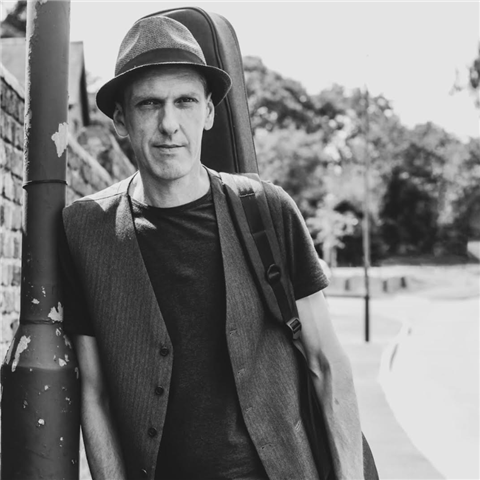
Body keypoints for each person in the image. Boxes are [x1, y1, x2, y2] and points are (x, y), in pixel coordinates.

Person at [60, 13, 364, 480]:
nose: (169, 124)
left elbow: (327, 364)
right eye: (149, 104)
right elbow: (94, 394)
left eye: (185, 101)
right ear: (121, 119)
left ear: (208, 112)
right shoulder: (86, 229)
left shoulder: (269, 210)